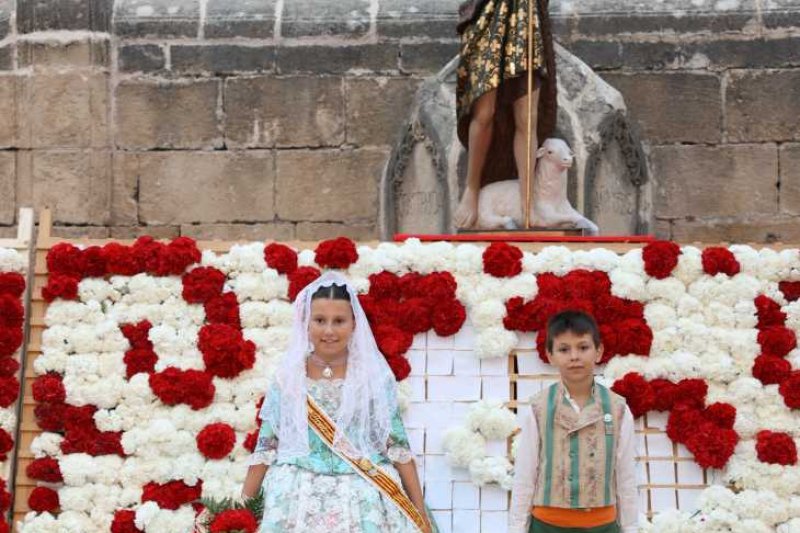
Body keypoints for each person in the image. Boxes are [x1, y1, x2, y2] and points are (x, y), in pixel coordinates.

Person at [241, 271, 435, 533]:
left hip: (364, 490)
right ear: (306, 323)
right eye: (320, 320)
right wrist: (241, 511)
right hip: (295, 493)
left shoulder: (373, 378)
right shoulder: (288, 378)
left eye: (339, 321)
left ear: (354, 324)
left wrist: (419, 511)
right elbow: (266, 446)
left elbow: (396, 445)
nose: (329, 330)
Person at [508, 310, 638, 533]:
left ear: (599, 351)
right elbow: (525, 474)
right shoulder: (538, 408)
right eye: (564, 349)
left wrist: (630, 527)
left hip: (602, 526)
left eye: (583, 347)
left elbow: (626, 475)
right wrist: (517, 528)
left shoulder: (618, 409)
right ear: (550, 355)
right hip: (547, 525)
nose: (574, 356)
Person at [454, 0, 558, 229]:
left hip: (526, 14)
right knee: (484, 111)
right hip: (487, 12)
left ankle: (527, 203)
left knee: (527, 116)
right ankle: (472, 189)